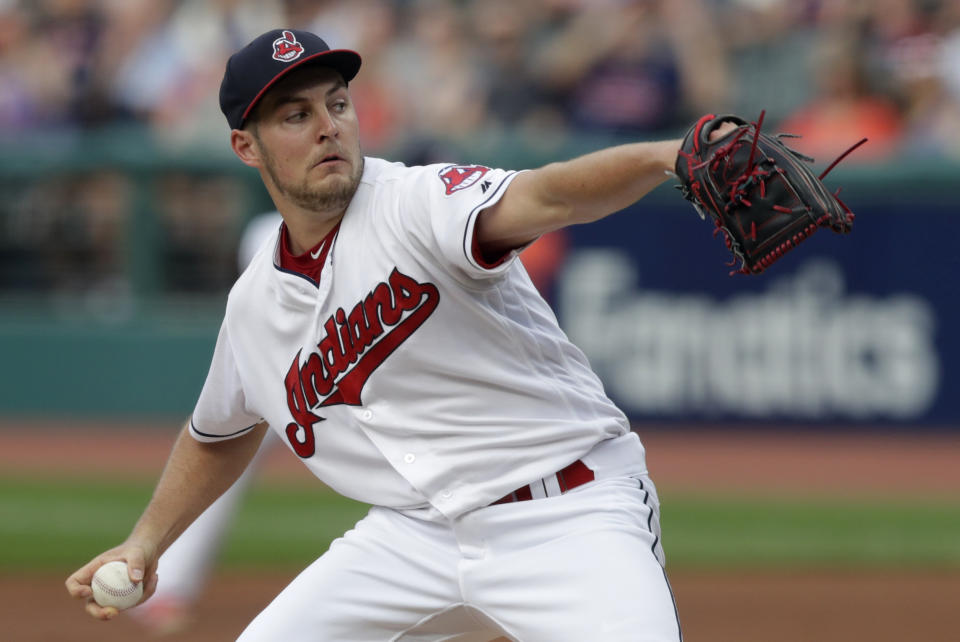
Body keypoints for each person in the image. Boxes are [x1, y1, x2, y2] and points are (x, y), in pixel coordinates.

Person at [66, 28, 723, 640]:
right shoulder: (254, 306)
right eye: (297, 116)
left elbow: (547, 197)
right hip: (416, 535)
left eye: (338, 104)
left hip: (568, 511)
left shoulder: (418, 201)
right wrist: (146, 542)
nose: (328, 128)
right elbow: (218, 435)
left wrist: (662, 155)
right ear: (246, 146)